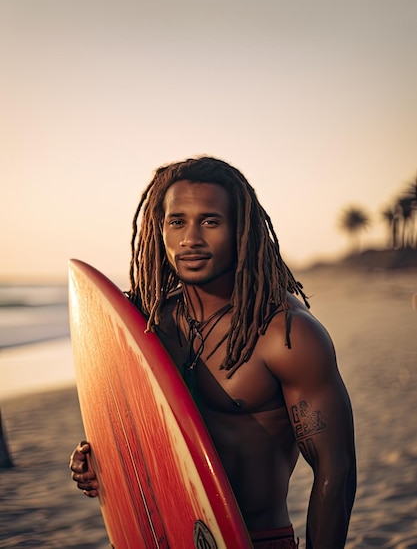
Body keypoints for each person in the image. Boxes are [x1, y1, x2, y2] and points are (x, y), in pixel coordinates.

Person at [70, 156, 356, 548]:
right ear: (160, 230)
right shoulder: (148, 325)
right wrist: (97, 463)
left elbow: (334, 470)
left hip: (256, 539)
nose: (191, 238)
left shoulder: (285, 334)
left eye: (210, 221)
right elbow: (131, 430)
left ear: (240, 231)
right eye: (177, 221)